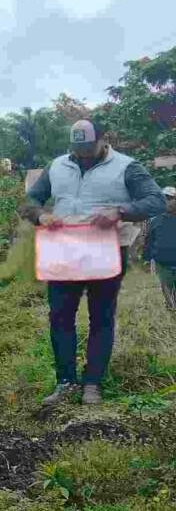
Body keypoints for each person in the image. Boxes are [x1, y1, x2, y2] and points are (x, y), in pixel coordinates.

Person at [21, 120, 165, 406]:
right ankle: (65, 382)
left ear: (103, 139)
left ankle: (92, 384)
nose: (82, 153)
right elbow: (31, 200)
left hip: (106, 251)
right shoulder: (57, 166)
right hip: (64, 251)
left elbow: (156, 201)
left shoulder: (127, 167)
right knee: (60, 316)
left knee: (101, 317)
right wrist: (40, 215)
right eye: (77, 148)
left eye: (88, 147)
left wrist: (121, 211)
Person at [143, 186, 176, 309]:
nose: (166, 202)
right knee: (166, 285)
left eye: (170, 198)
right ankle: (171, 308)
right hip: (162, 262)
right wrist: (147, 257)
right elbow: (150, 240)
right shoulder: (155, 221)